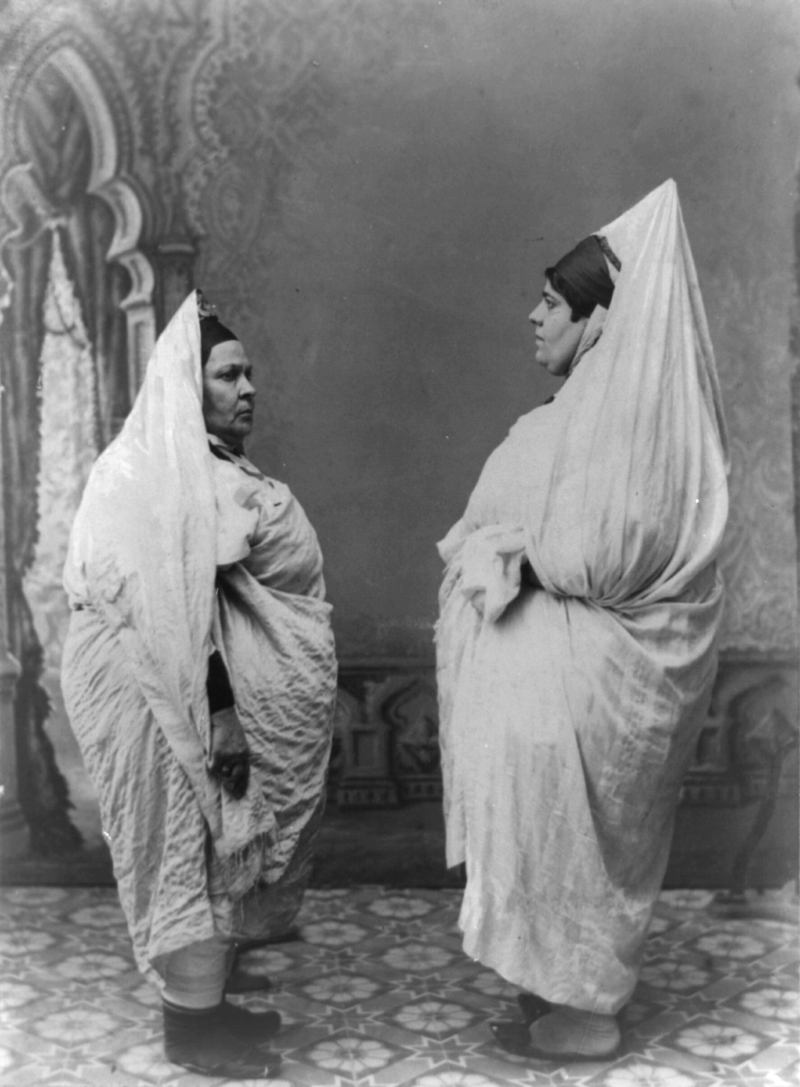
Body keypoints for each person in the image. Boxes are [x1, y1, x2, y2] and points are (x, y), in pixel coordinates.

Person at [435, 180, 728, 1062]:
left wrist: (522, 548)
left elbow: (597, 551)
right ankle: (556, 988)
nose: (533, 316)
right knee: (546, 823)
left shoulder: (632, 429)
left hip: (602, 676)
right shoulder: (587, 419)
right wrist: (510, 544)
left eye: (554, 303)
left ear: (599, 322)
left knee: (570, 829)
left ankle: (586, 1012)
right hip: (572, 673)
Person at [61, 290, 337, 1079]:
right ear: (187, 386)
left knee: (217, 848)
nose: (248, 388)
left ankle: (207, 1002)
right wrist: (218, 714)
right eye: (226, 375)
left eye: (249, 374)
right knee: (189, 841)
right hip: (157, 691)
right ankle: (192, 1028)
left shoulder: (201, 464)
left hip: (187, 677)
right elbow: (170, 612)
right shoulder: (146, 471)